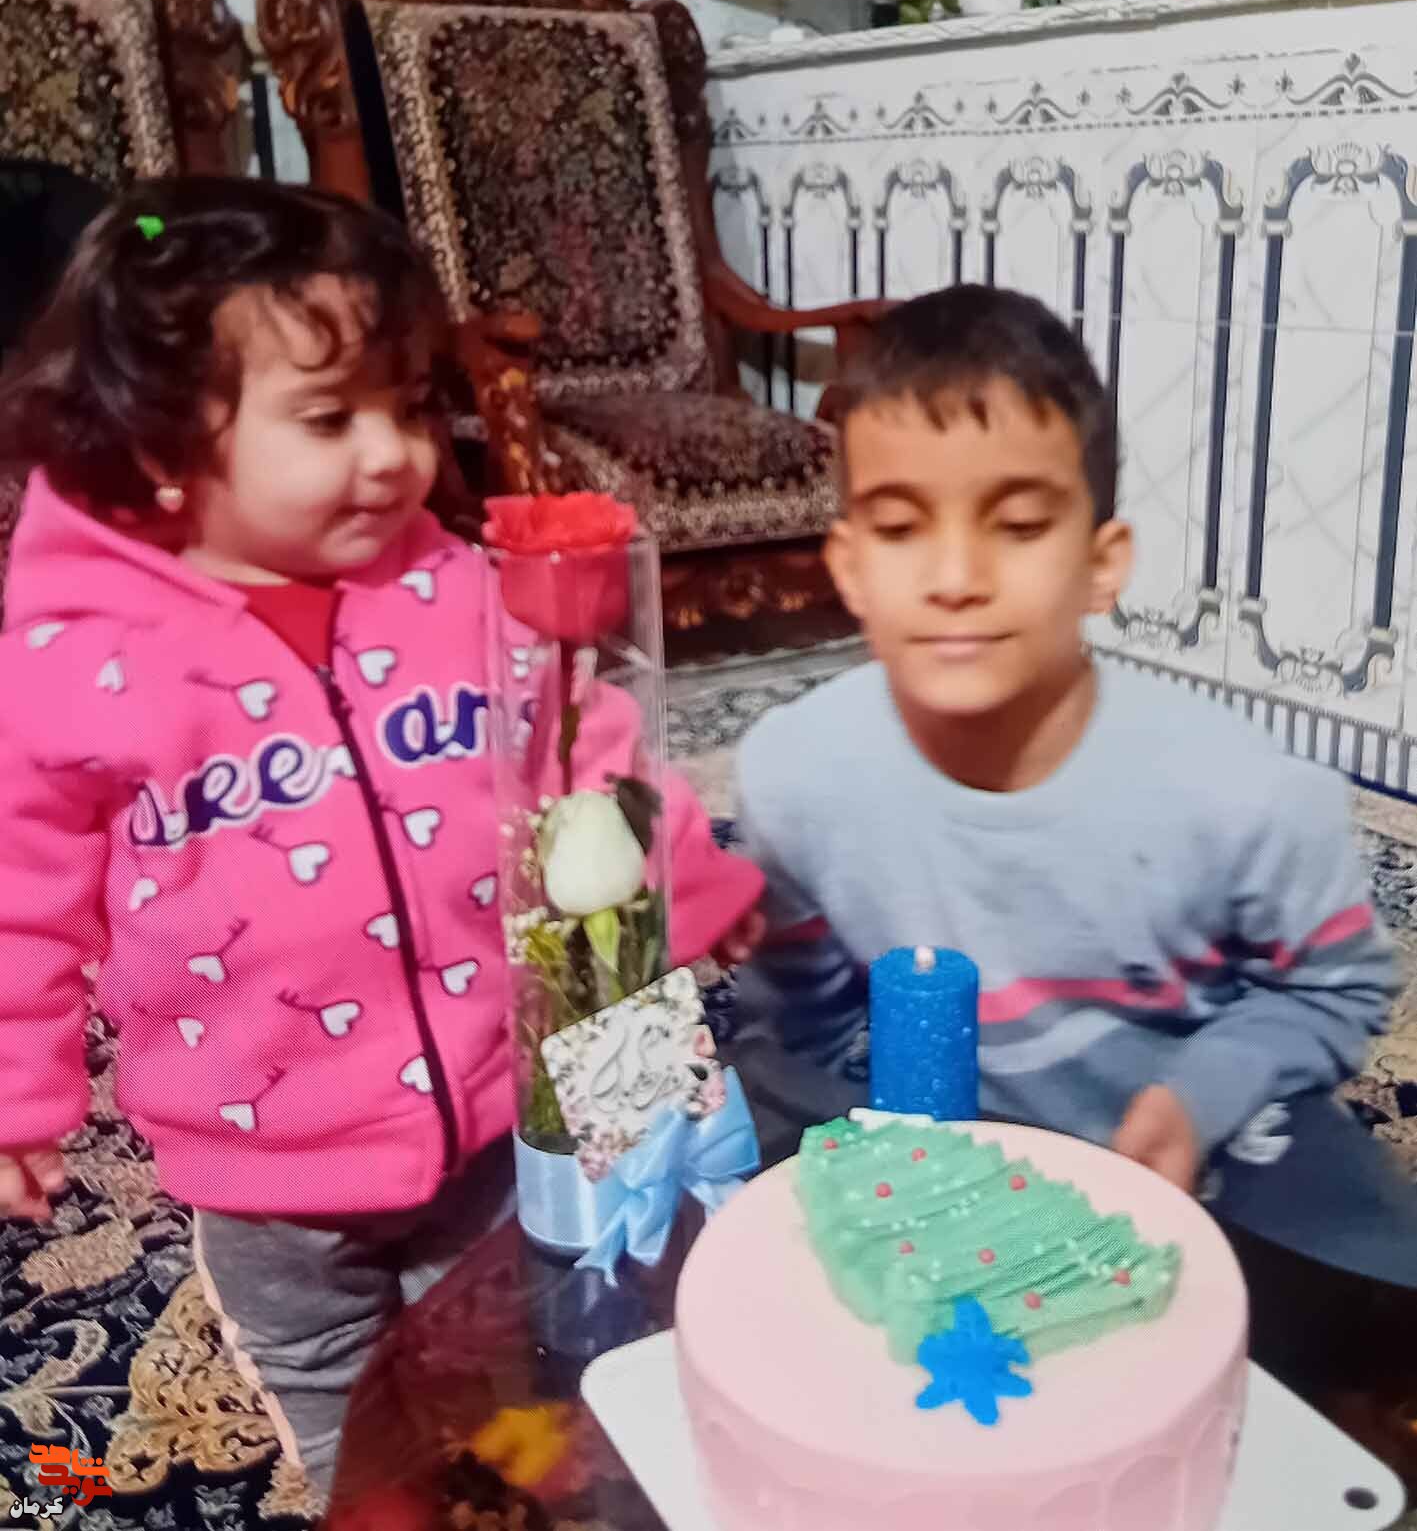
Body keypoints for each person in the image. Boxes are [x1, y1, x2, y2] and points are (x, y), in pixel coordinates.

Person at [0, 177, 763, 1505]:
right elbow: (21, 892)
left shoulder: (444, 583)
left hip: (483, 1109)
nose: (392, 454)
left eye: (406, 407)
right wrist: (20, 1090)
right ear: (162, 436)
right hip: (268, 1161)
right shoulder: (79, 661)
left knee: (502, 1365)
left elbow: (579, 747)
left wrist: (687, 882)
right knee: (349, 1426)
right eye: (326, 418)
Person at [732, 283, 1417, 1319]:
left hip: (1212, 1159)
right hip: (958, 1168)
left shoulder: (1246, 793)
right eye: (900, 527)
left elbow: (1336, 990)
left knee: (1354, 1340)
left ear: (1102, 566)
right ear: (849, 568)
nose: (954, 577)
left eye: (1015, 525)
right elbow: (800, 1030)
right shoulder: (794, 775)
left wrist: (1198, 1097)